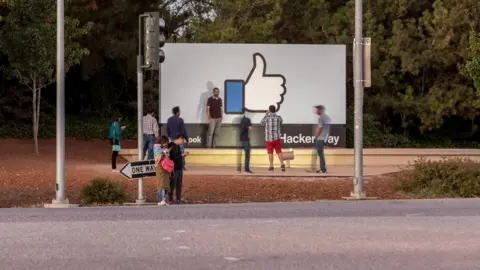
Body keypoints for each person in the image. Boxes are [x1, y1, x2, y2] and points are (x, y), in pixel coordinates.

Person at [261, 105, 285, 172]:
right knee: (279, 151)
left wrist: (266, 115)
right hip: (276, 137)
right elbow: (281, 124)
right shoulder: (279, 117)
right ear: (275, 110)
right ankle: (282, 165)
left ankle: (271, 166)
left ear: (269, 110)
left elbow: (261, 123)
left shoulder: (266, 118)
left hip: (268, 138)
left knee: (270, 152)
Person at [168, 134, 189, 204]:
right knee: (173, 184)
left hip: (179, 167)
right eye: (182, 141)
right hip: (174, 168)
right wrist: (182, 155)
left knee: (179, 184)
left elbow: (178, 157)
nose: (182, 142)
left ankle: (178, 198)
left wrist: (182, 156)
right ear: (179, 139)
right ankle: (170, 199)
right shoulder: (171, 146)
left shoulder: (178, 146)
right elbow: (173, 158)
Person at [154, 135, 171, 206]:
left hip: (165, 166)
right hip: (160, 166)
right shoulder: (156, 147)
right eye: (165, 143)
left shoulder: (163, 147)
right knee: (161, 183)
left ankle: (164, 199)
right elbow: (158, 154)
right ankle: (161, 199)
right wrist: (165, 151)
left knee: (165, 183)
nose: (166, 144)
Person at [314, 105, 331, 174]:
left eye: (317, 110)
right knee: (321, 153)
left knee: (320, 154)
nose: (316, 111)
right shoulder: (327, 117)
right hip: (325, 137)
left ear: (320, 110)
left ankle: (323, 170)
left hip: (321, 138)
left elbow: (319, 129)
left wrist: (315, 137)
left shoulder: (321, 118)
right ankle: (322, 168)